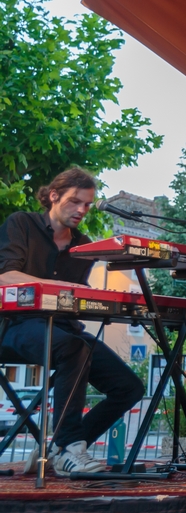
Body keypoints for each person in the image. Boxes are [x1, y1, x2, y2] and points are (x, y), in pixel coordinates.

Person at [0, 168, 144, 476]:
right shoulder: (21, 224)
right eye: (75, 201)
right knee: (73, 349)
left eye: (88, 204)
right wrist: (67, 289)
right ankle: (70, 449)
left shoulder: (84, 245)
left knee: (129, 387)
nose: (81, 210)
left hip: (65, 331)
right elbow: (7, 276)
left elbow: (73, 302)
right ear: (54, 196)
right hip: (14, 327)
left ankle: (60, 446)